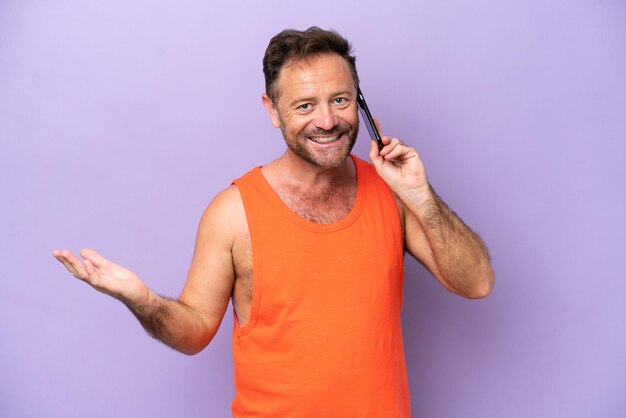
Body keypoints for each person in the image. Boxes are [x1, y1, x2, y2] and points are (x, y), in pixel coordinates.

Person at [53, 27, 494, 417]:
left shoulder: (391, 193)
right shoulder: (233, 213)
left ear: (358, 100)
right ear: (272, 109)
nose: (327, 121)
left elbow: (476, 283)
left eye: (340, 100)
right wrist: (143, 299)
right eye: (304, 105)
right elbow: (193, 332)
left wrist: (420, 195)